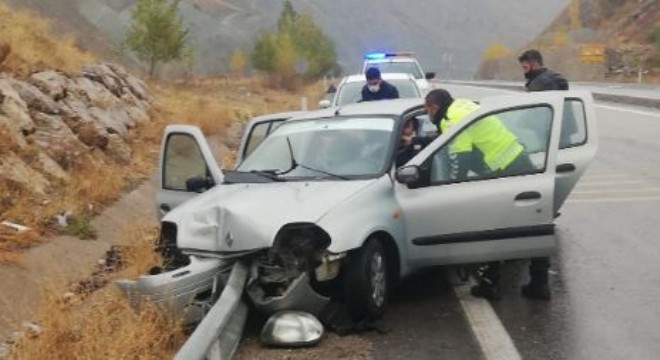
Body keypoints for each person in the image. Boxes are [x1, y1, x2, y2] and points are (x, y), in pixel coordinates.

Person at [424, 89, 535, 301]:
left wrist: (450, 188)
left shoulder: (450, 119)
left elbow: (461, 157)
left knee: (495, 226)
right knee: (531, 221)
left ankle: (490, 284)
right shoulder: (462, 104)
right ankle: (539, 282)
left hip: (506, 167)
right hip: (518, 156)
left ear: (434, 107)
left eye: (426, 110)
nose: (427, 115)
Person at [513, 49, 571, 301]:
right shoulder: (552, 80)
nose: (524, 71)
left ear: (534, 63)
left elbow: (536, 119)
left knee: (537, 217)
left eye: (525, 67)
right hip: (557, 148)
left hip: (545, 151)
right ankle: (539, 281)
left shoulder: (541, 85)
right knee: (543, 213)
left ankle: (539, 283)